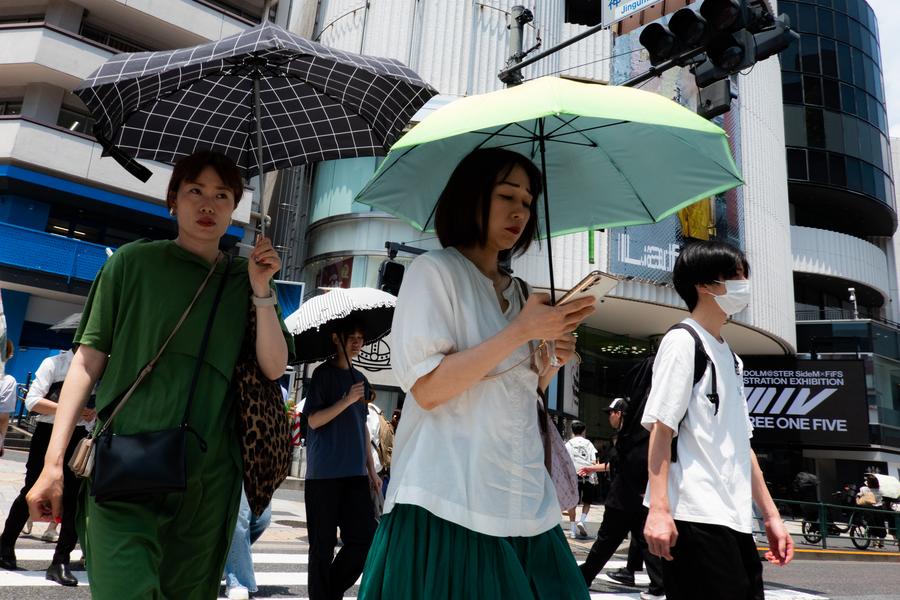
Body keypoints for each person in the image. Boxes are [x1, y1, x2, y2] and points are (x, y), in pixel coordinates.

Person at [25, 150, 292, 600]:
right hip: (125, 464)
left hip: (207, 482)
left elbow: (273, 365)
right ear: (173, 200)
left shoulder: (243, 280)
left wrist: (262, 290)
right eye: (195, 191)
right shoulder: (131, 264)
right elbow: (88, 363)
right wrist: (53, 464)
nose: (207, 205)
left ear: (235, 208)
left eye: (221, 195)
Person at [358, 148, 596, 599]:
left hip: (523, 491)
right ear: (472, 198)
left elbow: (520, 391)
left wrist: (551, 358)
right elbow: (427, 389)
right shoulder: (434, 271)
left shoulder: (521, 291)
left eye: (527, 202)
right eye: (507, 195)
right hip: (449, 494)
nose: (520, 212)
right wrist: (520, 331)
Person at [642, 240, 793, 600]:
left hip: (735, 519)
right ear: (704, 285)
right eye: (736, 276)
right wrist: (660, 511)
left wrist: (770, 516)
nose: (744, 284)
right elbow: (662, 431)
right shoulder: (682, 342)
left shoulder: (731, 357)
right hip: (694, 515)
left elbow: (743, 446)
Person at [0, 347, 94, 585]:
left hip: (80, 435)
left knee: (73, 497)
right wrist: (73, 409)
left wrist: (91, 413)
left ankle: (60, 561)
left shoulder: (99, 370)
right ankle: (5, 547)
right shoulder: (55, 364)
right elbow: (32, 402)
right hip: (47, 432)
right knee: (31, 489)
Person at [304, 318, 380, 600]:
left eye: (361, 337)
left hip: (355, 474)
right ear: (337, 339)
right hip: (323, 475)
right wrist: (346, 400)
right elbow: (313, 421)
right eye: (352, 337)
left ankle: (329, 592)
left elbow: (361, 425)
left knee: (364, 538)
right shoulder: (323, 375)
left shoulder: (360, 379)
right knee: (321, 547)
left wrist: (371, 470)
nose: (357, 342)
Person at [578, 398, 665, 600]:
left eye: (611, 413)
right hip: (636, 498)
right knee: (644, 542)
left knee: (607, 541)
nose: (609, 417)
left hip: (624, 498)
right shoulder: (637, 434)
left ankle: (585, 577)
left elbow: (639, 463)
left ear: (620, 414)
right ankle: (658, 585)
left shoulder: (631, 437)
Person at [223, 489, 272, 599]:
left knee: (263, 519)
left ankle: (224, 562)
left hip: (259, 474)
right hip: (239, 474)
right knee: (239, 519)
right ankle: (238, 582)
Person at [565, 420, 600, 539]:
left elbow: (566, 461)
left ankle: (573, 531)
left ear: (572, 431)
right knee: (587, 501)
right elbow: (594, 461)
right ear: (583, 431)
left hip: (573, 475)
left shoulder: (568, 444)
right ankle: (582, 520)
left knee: (572, 503)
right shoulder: (589, 443)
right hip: (587, 475)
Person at [857, 474, 886, 548]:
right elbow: (881, 499)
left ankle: (874, 543)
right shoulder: (880, 491)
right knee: (881, 525)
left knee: (872, 525)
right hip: (879, 509)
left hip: (870, 509)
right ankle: (881, 543)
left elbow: (860, 494)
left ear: (869, 482)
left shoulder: (864, 489)